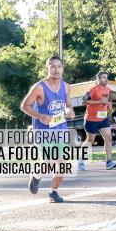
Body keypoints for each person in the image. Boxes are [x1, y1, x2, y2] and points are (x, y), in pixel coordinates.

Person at [20, 55, 76, 203]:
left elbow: (68, 104)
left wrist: (70, 111)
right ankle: (37, 174)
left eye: (59, 66)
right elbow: (24, 106)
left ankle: (53, 192)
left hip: (61, 129)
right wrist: (39, 116)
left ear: (63, 68)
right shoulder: (39, 87)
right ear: (47, 69)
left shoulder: (66, 86)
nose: (56, 69)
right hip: (43, 131)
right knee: (49, 161)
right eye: (53, 66)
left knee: (62, 162)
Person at [82, 72, 116, 170]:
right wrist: (99, 101)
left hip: (103, 118)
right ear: (98, 79)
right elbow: (84, 101)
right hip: (91, 118)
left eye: (106, 77)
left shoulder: (108, 90)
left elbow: (107, 102)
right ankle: (81, 160)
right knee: (90, 140)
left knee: (108, 138)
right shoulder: (93, 90)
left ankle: (109, 162)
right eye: (103, 77)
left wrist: (109, 105)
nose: (105, 79)